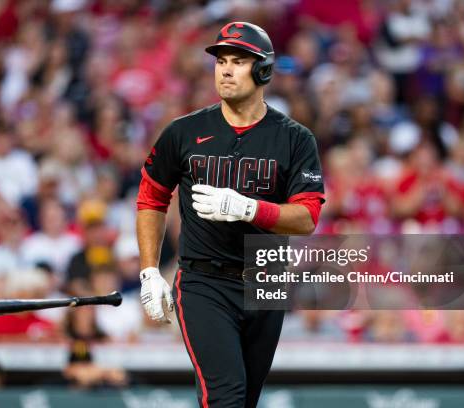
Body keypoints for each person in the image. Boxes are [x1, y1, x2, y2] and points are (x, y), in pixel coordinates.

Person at [136, 22, 325, 408]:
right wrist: (150, 270)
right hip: (204, 281)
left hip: (265, 282)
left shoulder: (295, 138)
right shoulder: (183, 132)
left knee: (244, 400)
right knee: (226, 398)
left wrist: (247, 208)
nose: (225, 69)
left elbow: (307, 217)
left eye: (238, 61)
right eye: (221, 61)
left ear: (263, 71)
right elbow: (151, 197)